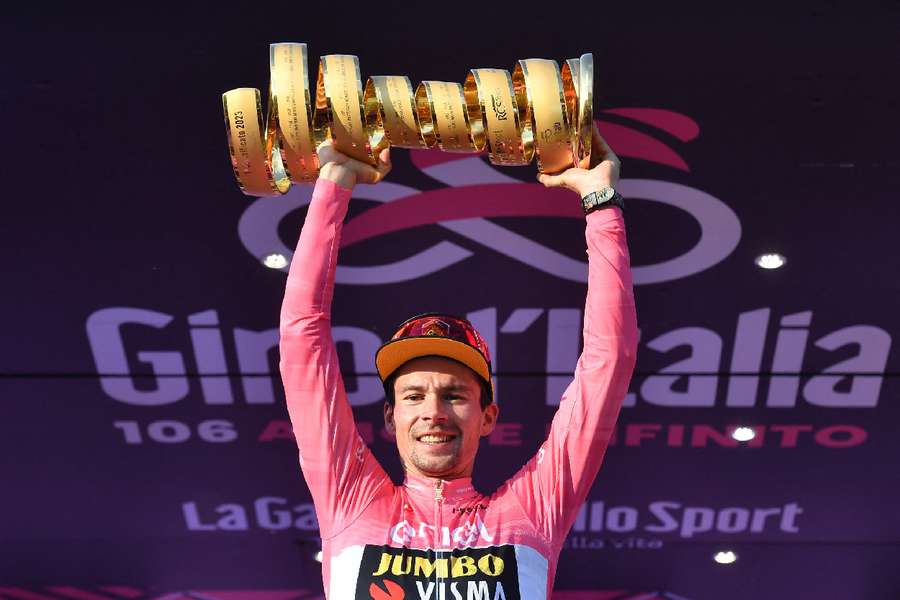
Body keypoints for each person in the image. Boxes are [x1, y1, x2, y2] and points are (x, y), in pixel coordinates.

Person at [279, 126, 638, 599]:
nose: (434, 411)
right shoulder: (351, 500)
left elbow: (608, 361)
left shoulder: (530, 512)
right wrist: (335, 183)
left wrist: (600, 202)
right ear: (390, 416)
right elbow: (302, 340)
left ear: (488, 416)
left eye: (454, 394)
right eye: (413, 395)